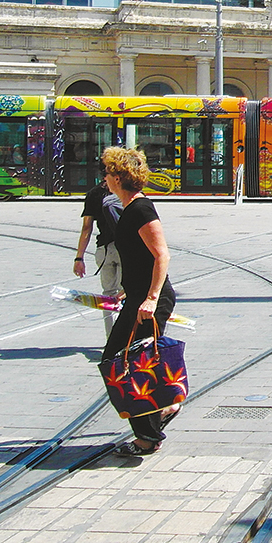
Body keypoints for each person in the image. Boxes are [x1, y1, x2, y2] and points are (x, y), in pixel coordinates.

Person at [99, 147, 178, 457]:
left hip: (151, 302)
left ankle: (149, 434)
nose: (104, 177)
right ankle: (163, 410)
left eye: (106, 172)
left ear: (118, 177)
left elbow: (162, 255)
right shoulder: (131, 208)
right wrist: (127, 291)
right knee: (133, 363)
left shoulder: (140, 210)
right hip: (139, 297)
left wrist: (150, 298)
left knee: (119, 363)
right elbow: (139, 259)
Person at [74, 165, 124, 335]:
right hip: (125, 249)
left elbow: (86, 228)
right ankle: (125, 339)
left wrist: (79, 258)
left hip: (103, 250)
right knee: (125, 294)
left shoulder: (94, 194)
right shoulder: (125, 190)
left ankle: (111, 339)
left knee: (108, 295)